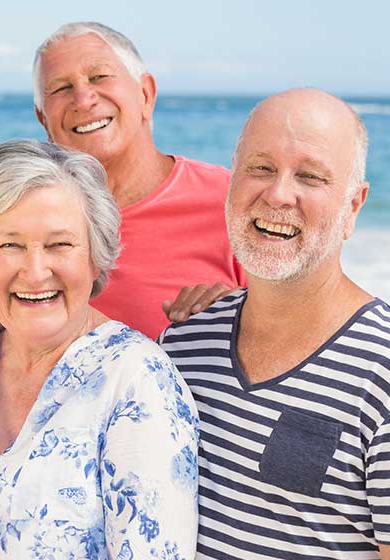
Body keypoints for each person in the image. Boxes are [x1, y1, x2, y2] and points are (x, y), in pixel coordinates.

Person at [0, 140, 199, 558]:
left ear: (95, 258)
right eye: (10, 245)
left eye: (59, 244)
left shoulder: (136, 381)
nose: (36, 271)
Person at [0, 21, 245, 341]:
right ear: (43, 119)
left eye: (99, 77)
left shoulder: (231, 203)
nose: (83, 98)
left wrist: (239, 312)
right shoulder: (19, 210)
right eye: (60, 89)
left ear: (145, 94)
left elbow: (293, 319)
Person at [158, 89, 390, 558]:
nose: (279, 194)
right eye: (260, 168)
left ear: (353, 207)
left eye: (310, 176)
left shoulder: (383, 372)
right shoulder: (181, 345)